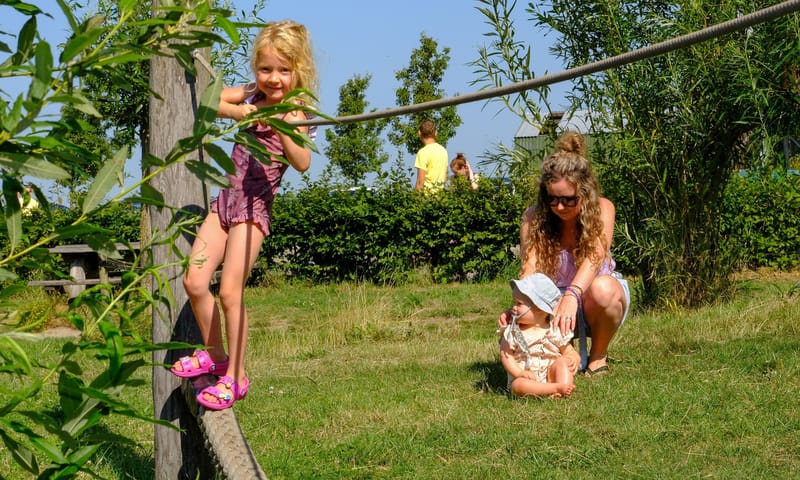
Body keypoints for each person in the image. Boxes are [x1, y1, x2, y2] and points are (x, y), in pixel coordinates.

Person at [170, 20, 318, 410]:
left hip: (253, 209)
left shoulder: (298, 110)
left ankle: (235, 376)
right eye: (266, 69)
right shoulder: (254, 93)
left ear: (299, 69)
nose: (273, 78)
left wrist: (282, 126)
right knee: (195, 280)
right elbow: (211, 100)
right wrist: (244, 111)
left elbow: (302, 162)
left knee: (231, 291)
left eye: (284, 70)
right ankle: (215, 354)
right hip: (226, 202)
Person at [499, 131, 630, 377]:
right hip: (550, 306)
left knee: (604, 288)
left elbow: (595, 256)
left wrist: (572, 294)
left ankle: (598, 355)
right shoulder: (533, 217)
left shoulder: (604, 208)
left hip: (592, 298)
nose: (559, 207)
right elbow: (529, 271)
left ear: (586, 192)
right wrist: (518, 306)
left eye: (569, 200)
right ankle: (562, 352)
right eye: (552, 199)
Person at [498, 273, 578, 398]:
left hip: (551, 375)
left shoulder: (553, 330)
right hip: (527, 379)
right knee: (518, 385)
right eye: (514, 303)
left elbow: (570, 352)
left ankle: (562, 388)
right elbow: (505, 355)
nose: (513, 308)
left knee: (562, 362)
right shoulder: (513, 331)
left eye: (519, 304)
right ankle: (556, 388)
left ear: (539, 308)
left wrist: (572, 359)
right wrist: (519, 373)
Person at [414, 119, 448, 192]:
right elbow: (445, 177)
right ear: (436, 133)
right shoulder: (443, 151)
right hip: (441, 196)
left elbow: (420, 181)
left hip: (427, 197)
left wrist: (415, 198)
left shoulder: (422, 152)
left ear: (419, 133)